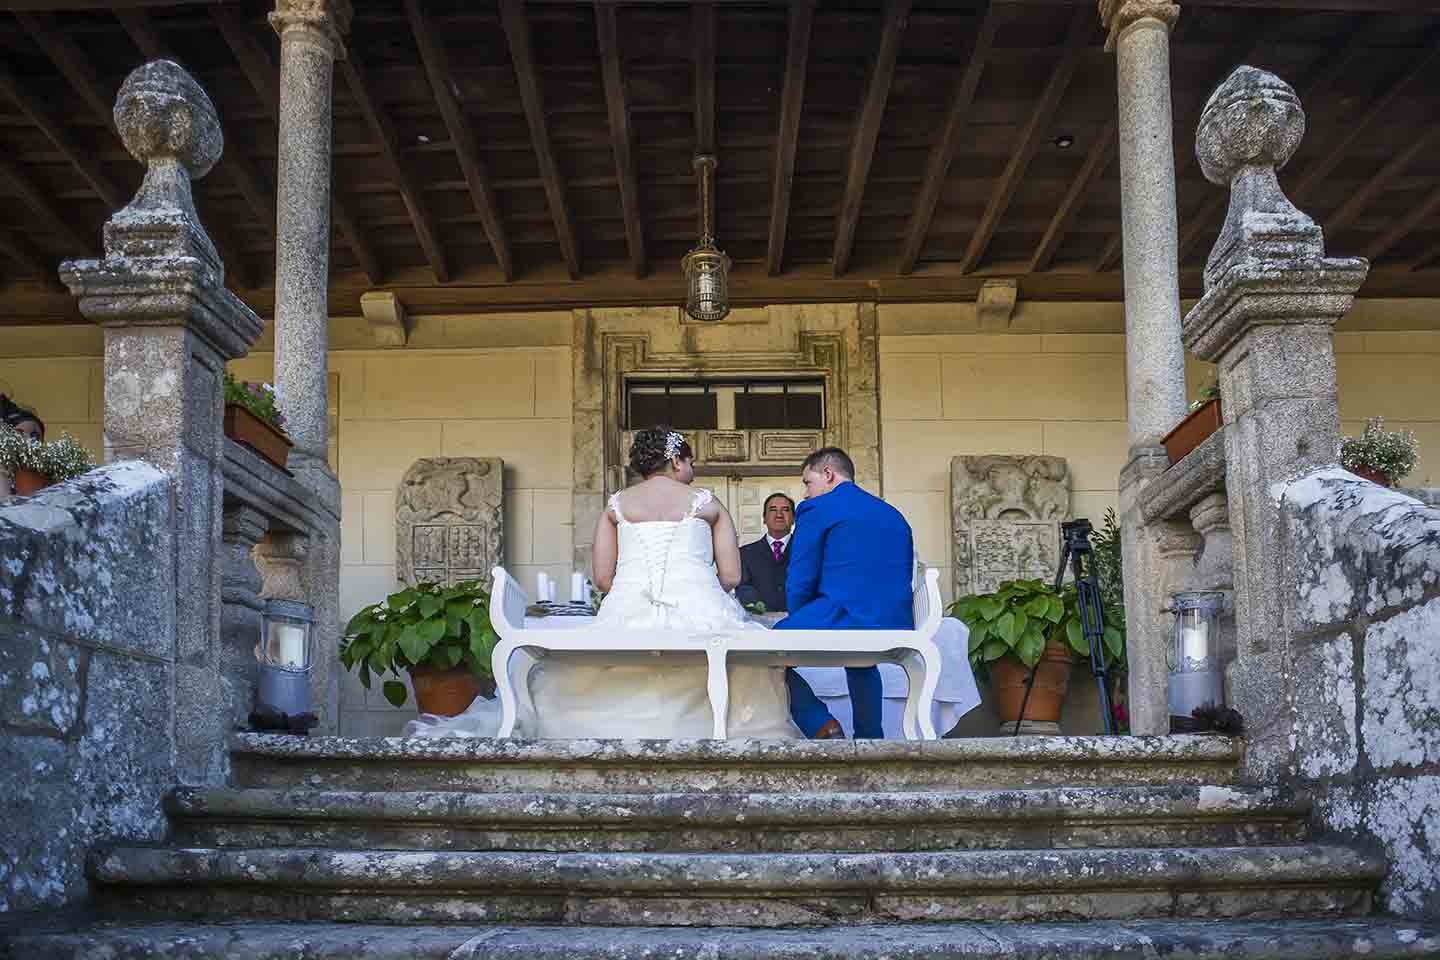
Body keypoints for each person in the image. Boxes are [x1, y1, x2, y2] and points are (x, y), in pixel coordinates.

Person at [407, 427, 801, 740]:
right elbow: (732, 576)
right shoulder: (706, 502)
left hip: (628, 611)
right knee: (744, 653)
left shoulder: (616, 505)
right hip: (698, 608)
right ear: (675, 460)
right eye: (689, 460)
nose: (692, 469)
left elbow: (603, 578)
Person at [774, 447, 915, 740]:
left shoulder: (817, 509)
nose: (806, 493)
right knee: (861, 660)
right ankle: (870, 737)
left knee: (765, 650)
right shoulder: (892, 513)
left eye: (807, 483)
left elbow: (800, 577)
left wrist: (797, 618)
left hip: (843, 615)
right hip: (895, 622)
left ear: (828, 474)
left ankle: (820, 723)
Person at [735, 492, 795, 613]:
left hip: (799, 622)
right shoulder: (745, 553)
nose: (779, 515)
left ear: (793, 519)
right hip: (758, 623)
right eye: (773, 510)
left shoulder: (807, 551)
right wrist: (759, 609)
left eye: (785, 510)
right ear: (764, 518)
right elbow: (742, 587)